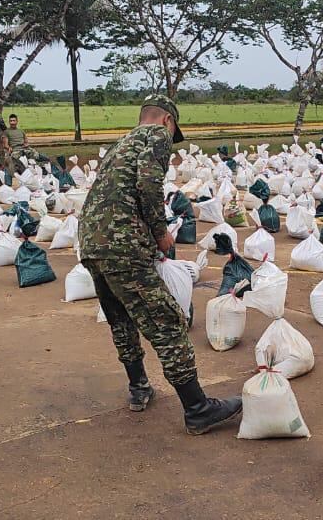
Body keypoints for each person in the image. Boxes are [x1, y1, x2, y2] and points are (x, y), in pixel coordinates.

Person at [77, 94, 242, 435]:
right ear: (168, 120)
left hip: (93, 245)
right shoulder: (156, 135)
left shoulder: (122, 143)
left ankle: (139, 388)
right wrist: (160, 232)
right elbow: (148, 184)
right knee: (165, 320)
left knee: (120, 318)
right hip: (123, 247)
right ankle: (197, 409)